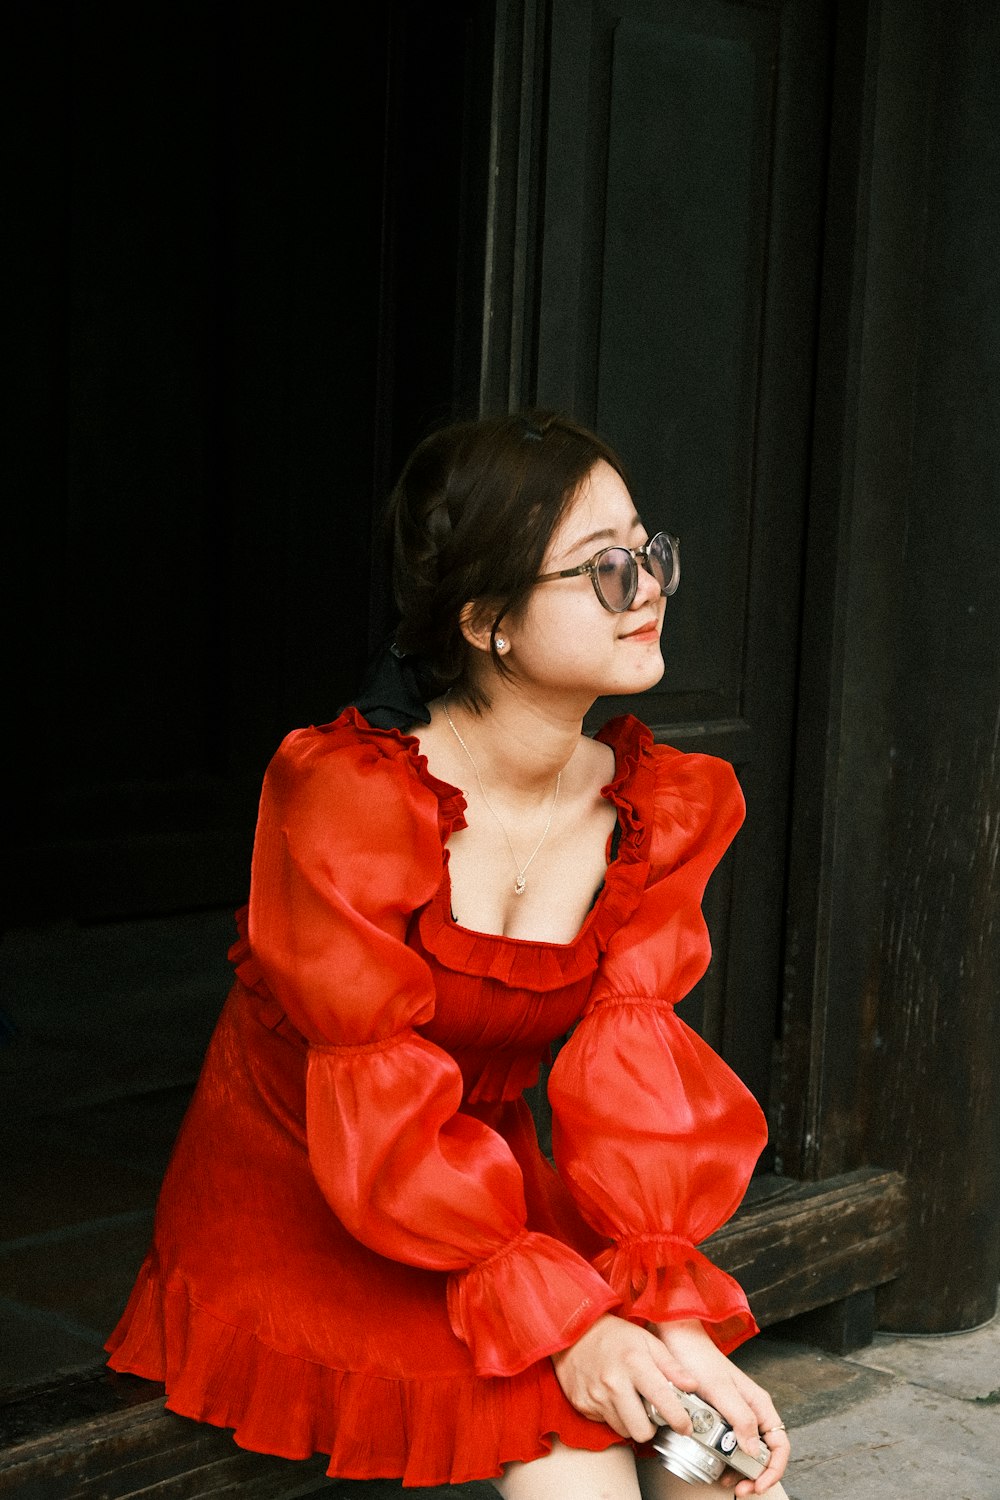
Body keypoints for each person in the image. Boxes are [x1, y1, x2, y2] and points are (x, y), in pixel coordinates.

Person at [106, 411, 790, 1499]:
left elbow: (634, 1088)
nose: (648, 585)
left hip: (473, 1183)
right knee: (573, 1431)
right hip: (312, 1187)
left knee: (710, 1448)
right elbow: (371, 1104)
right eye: (602, 570)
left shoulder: (658, 809)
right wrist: (570, 1328)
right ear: (487, 622)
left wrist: (666, 1313)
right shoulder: (346, 794)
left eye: (648, 551)